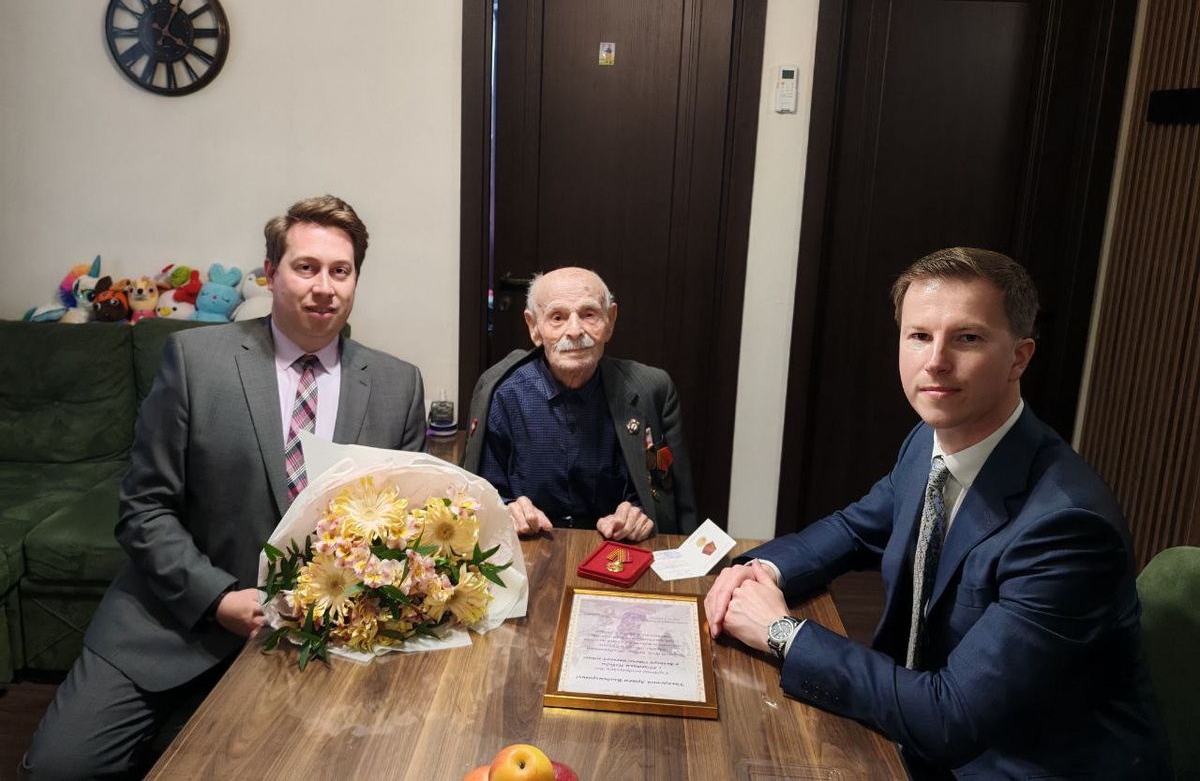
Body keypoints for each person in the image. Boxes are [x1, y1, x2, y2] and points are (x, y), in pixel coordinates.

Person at [704, 247, 1169, 780]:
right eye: (920, 336)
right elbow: (856, 529)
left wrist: (781, 632)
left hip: (1014, 765)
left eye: (967, 338)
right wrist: (758, 571)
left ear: (1019, 358)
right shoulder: (929, 443)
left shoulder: (1067, 527)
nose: (936, 361)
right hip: (919, 733)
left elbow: (952, 718)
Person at [24, 195, 427, 779]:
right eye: (306, 267)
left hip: (328, 638)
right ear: (271, 272)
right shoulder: (195, 361)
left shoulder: (397, 385)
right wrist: (216, 599)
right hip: (174, 621)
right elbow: (144, 509)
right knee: (58, 768)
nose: (324, 287)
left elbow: (404, 529)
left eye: (340, 271)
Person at [462, 267, 696, 542]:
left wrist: (639, 513)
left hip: (617, 547)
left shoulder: (652, 390)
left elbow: (671, 497)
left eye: (589, 314)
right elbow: (482, 495)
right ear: (534, 327)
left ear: (610, 320)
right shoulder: (502, 393)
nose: (574, 331)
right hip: (529, 546)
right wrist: (508, 509)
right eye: (557, 317)